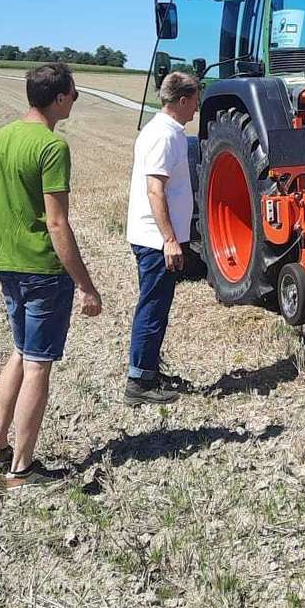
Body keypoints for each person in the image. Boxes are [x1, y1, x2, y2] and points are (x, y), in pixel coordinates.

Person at [0, 62, 102, 488]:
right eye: (74, 91)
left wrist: (4, 249)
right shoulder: (52, 147)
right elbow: (57, 224)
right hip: (44, 272)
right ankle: (22, 468)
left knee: (18, 351)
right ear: (60, 97)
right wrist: (86, 285)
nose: (77, 98)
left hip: (7, 264)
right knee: (38, 365)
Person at [124, 71, 200, 404]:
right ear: (182, 101)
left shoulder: (165, 131)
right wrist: (170, 239)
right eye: (195, 100)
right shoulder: (164, 136)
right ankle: (140, 381)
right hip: (155, 240)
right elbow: (155, 190)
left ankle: (149, 371)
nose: (197, 107)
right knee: (153, 307)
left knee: (157, 306)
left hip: (157, 237)